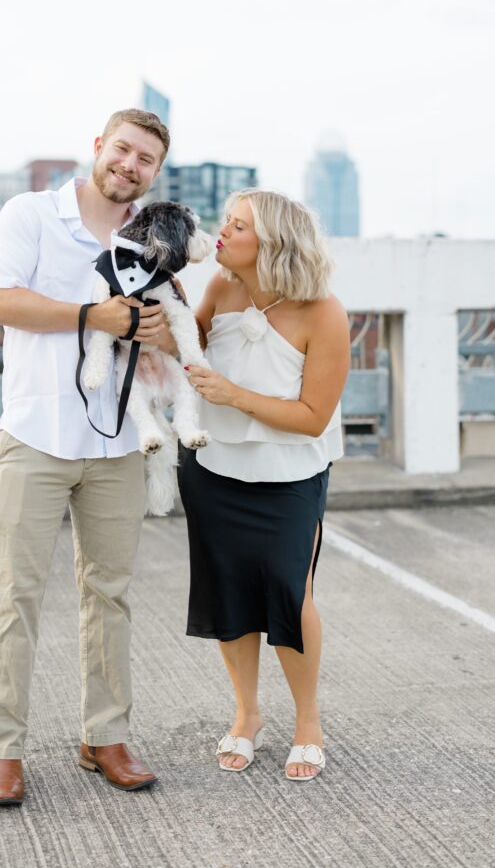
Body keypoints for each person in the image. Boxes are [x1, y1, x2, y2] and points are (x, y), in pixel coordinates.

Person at [0, 109, 172, 805]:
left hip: (117, 443)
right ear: (98, 148)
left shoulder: (152, 235)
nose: (130, 164)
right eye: (122, 149)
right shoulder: (29, 213)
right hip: (35, 434)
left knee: (109, 595)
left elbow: (167, 334)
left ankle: (104, 736)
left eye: (145, 158)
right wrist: (93, 316)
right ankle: (4, 749)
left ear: (154, 171)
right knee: (15, 596)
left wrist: (153, 329)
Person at [179, 190, 350, 781]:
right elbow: (183, 349)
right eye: (225, 221)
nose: (221, 232)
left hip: (291, 473)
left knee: (289, 591)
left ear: (273, 241)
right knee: (227, 588)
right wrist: (160, 312)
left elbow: (313, 417)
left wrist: (235, 397)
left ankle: (309, 723)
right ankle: (247, 715)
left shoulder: (323, 311)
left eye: (238, 225)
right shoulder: (221, 288)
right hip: (211, 468)